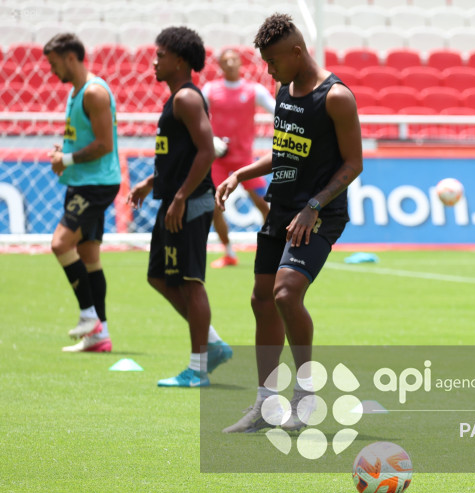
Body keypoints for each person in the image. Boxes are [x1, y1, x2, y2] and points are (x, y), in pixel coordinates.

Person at [215, 13, 362, 433]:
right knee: (261, 299)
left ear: (297, 51)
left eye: (273, 61)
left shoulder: (336, 97)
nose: (268, 69)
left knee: (284, 293)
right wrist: (242, 172)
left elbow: (354, 163)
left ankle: (305, 394)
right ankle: (265, 403)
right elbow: (286, 153)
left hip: (319, 213)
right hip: (281, 208)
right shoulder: (284, 90)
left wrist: (314, 204)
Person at [127, 27, 232, 387]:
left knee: (190, 282)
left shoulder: (187, 99)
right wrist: (150, 183)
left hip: (188, 204)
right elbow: (180, 157)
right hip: (173, 201)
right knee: (158, 276)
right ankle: (214, 343)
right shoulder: (174, 101)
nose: (154, 61)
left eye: (161, 55)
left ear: (180, 61)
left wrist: (181, 197)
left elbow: (206, 151)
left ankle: (198, 369)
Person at [43, 33, 121, 353]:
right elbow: (85, 137)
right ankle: (99, 336)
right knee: (89, 255)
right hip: (82, 181)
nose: (51, 70)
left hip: (96, 184)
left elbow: (105, 144)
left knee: (60, 243)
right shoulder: (75, 92)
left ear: (71, 58)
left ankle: (89, 315)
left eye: (54, 63)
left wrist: (68, 159)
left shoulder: (94, 93)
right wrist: (66, 149)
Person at [202, 48, 276, 268]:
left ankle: (274, 248)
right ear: (220, 65)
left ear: (240, 63)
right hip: (218, 160)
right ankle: (228, 252)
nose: (231, 63)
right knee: (215, 207)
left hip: (245, 159)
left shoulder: (254, 91)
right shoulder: (210, 90)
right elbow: (195, 114)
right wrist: (209, 138)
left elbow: (278, 111)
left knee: (263, 204)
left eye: (234, 59)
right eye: (226, 60)